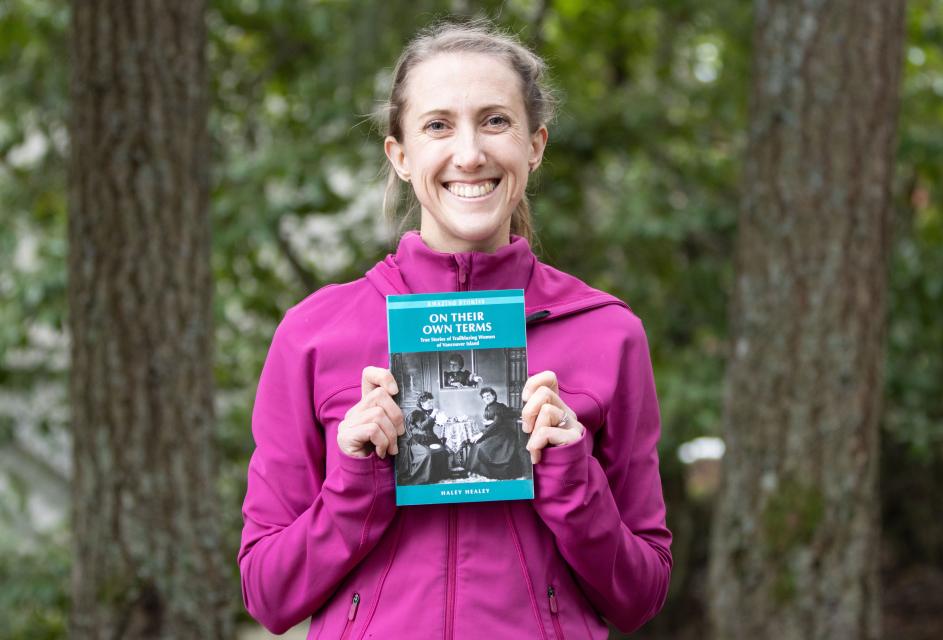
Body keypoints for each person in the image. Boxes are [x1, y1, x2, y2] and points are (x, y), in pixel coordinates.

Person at [238, 19, 672, 640]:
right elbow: (267, 595)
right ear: (400, 155)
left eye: (495, 121)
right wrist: (355, 485)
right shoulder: (313, 334)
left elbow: (641, 596)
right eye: (438, 125)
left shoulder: (607, 333)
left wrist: (574, 481)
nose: (469, 154)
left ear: (535, 146)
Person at [464, 387, 524, 479]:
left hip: (503, 435)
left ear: (494, 396)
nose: (486, 398)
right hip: (494, 432)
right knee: (476, 444)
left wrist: (481, 434)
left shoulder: (498, 406)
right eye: (484, 397)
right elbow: (495, 421)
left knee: (482, 447)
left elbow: (497, 423)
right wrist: (489, 423)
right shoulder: (488, 407)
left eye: (488, 395)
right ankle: (477, 471)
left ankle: (490, 473)